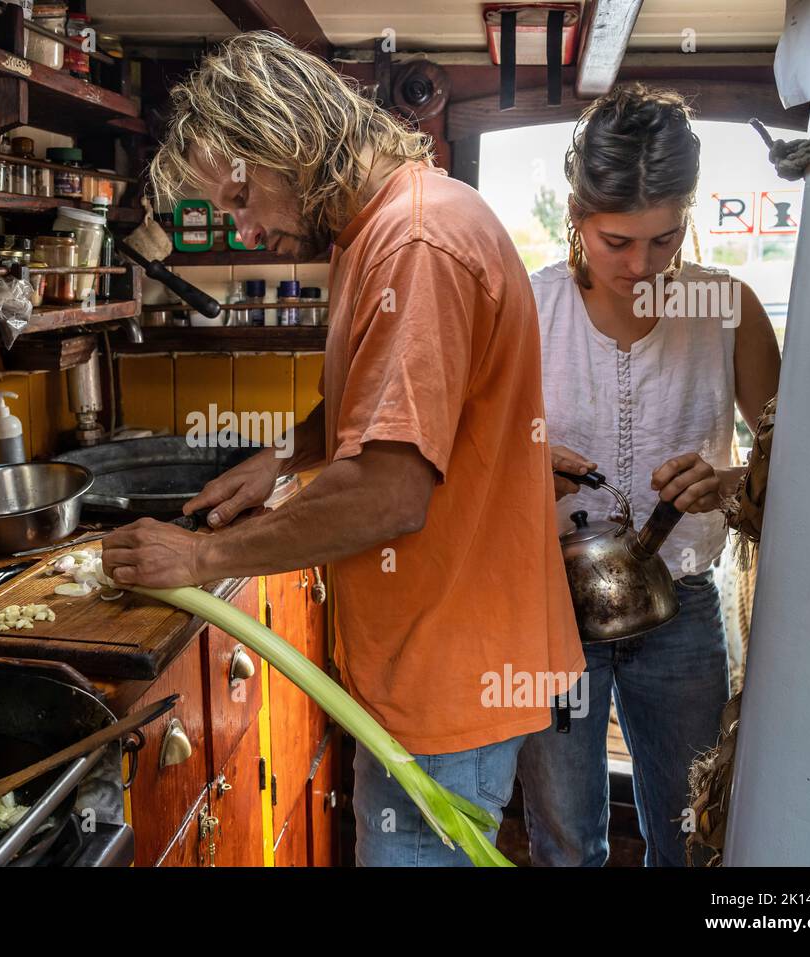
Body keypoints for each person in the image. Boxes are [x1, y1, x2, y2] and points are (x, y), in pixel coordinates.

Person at [101, 32, 584, 866]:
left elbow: (390, 491)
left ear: (286, 140)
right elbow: (378, 400)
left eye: (243, 198)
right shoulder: (387, 226)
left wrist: (199, 555)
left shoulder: (415, 245)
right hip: (427, 669)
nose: (245, 231)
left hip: (446, 680)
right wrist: (281, 457)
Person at [516, 84, 782, 867]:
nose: (642, 265)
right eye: (617, 241)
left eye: (665, 239)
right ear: (575, 212)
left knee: (694, 832)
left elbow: (789, 465)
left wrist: (732, 484)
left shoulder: (729, 307)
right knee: (565, 840)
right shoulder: (528, 310)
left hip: (684, 610)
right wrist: (523, 470)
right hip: (552, 610)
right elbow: (468, 462)